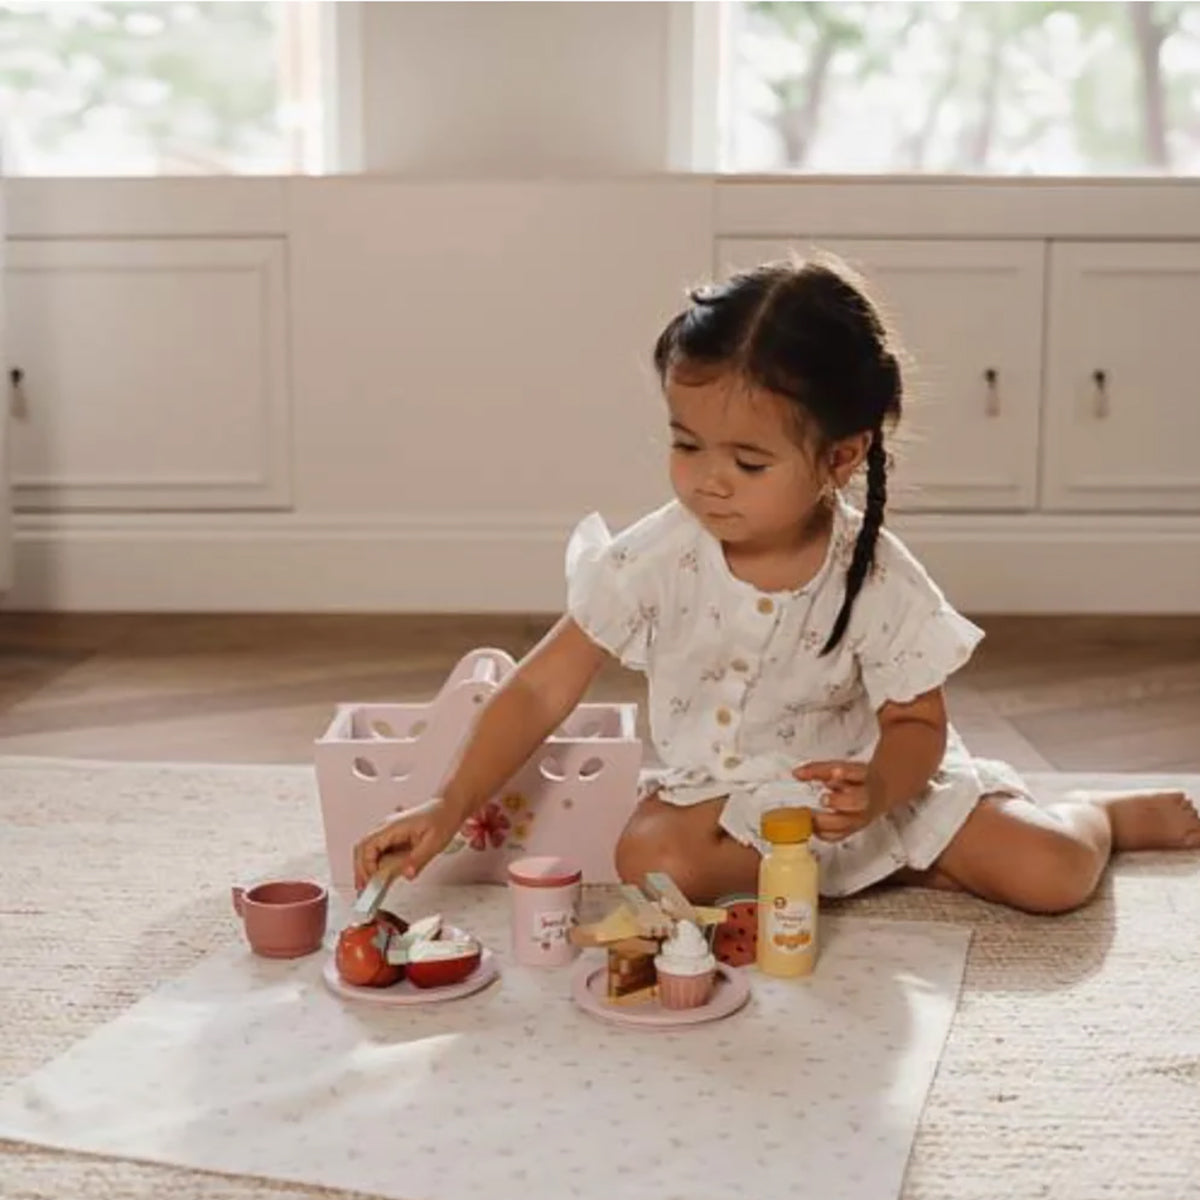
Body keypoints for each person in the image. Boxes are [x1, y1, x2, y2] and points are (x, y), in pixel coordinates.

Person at [354, 256, 1199, 914]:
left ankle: (1101, 815)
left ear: (842, 455)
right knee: (649, 861)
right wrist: (448, 802)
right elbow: (539, 687)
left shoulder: (876, 580)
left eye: (748, 462)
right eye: (686, 446)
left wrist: (879, 792)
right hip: (727, 812)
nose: (708, 482)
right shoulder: (655, 559)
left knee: (1052, 875)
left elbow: (917, 724)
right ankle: (874, 878)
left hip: (871, 798)